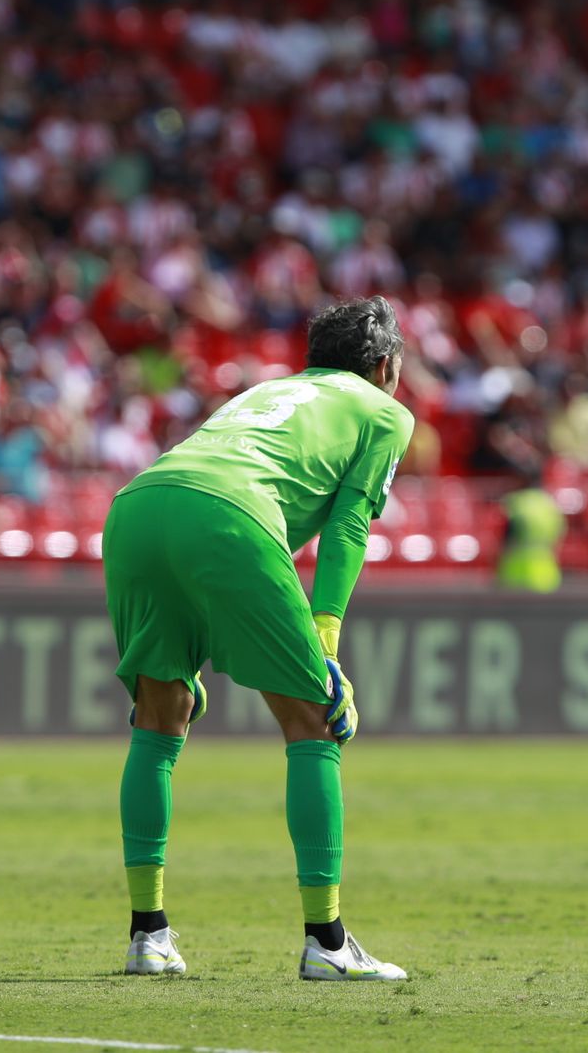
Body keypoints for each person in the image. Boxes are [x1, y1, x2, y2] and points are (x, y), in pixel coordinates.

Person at [101, 296, 415, 981]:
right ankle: (327, 944)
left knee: (160, 717)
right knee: (315, 722)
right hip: (228, 512)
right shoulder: (386, 412)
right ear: (385, 365)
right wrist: (325, 639)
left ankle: (147, 937)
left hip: (137, 505)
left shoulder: (266, 390)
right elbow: (349, 527)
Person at [498, 471, 564, 593]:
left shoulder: (517, 502)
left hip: (516, 569)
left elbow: (506, 533)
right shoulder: (549, 503)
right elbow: (560, 531)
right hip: (546, 571)